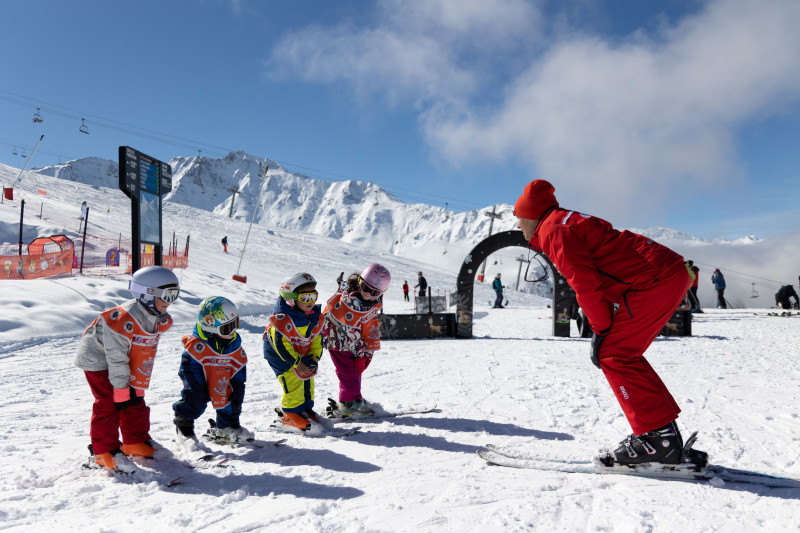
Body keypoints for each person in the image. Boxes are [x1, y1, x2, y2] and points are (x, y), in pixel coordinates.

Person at [514, 179, 697, 466]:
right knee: (621, 354)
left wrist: (600, 329)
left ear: (531, 214)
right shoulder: (561, 221)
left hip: (655, 280)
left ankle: (658, 440)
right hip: (664, 274)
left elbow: (584, 283)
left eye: (518, 218)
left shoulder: (552, 229)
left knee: (614, 355)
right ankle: (662, 435)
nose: (517, 225)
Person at [75, 266, 180, 473]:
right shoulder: (122, 321)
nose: (171, 302)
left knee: (135, 399)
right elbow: (117, 360)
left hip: (124, 359)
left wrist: (134, 386)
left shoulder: (153, 315)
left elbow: (142, 351)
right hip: (98, 360)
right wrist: (121, 390)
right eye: (167, 295)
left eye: (175, 294)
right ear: (148, 295)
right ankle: (104, 452)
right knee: (110, 402)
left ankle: (135, 441)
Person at [173, 296, 252, 444]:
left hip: (222, 376)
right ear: (209, 327)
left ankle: (226, 427)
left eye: (235, 324)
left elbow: (239, 366)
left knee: (230, 398)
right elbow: (188, 367)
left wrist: (238, 385)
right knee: (195, 400)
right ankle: (184, 425)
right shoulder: (197, 346)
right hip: (198, 377)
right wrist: (196, 386)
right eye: (227, 328)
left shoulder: (234, 344)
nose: (233, 331)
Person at [322, 263, 390, 417]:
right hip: (339, 341)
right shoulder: (351, 302)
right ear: (359, 282)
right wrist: (362, 354)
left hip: (347, 342)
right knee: (348, 373)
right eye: (366, 289)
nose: (368, 295)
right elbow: (352, 333)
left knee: (354, 372)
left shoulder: (365, 303)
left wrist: (366, 354)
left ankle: (355, 399)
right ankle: (348, 404)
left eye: (375, 293)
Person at [263, 273, 325, 433]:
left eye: (313, 296)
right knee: (293, 379)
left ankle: (304, 409)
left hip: (301, 352)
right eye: (305, 298)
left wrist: (313, 358)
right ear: (291, 300)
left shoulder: (313, 317)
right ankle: (290, 414)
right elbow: (281, 346)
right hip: (282, 357)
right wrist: (297, 363)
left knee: (307, 378)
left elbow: (317, 339)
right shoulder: (282, 320)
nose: (311, 302)